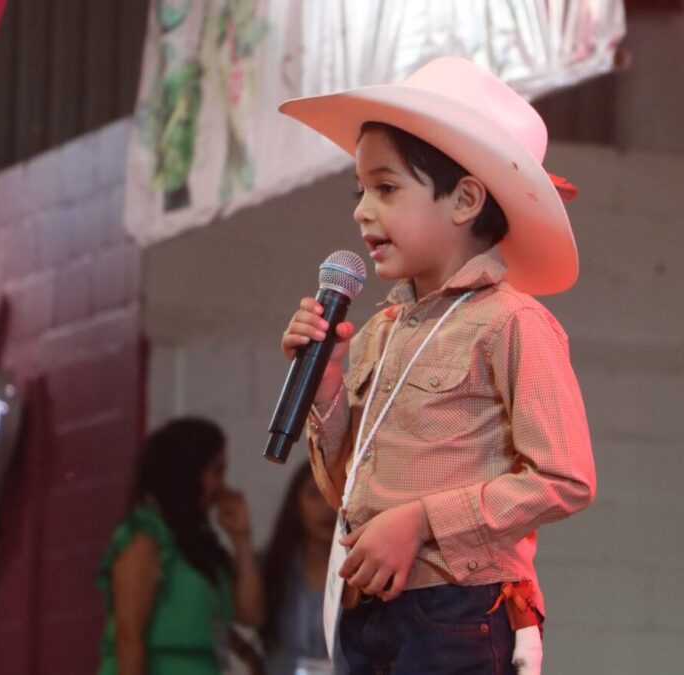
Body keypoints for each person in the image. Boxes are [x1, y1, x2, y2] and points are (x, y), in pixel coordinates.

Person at [277, 56, 596, 674]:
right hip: (367, 608)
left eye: (387, 188)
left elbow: (567, 477)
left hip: (457, 607)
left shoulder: (511, 322)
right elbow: (349, 488)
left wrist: (422, 521)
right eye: (360, 190)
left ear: (466, 199)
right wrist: (328, 385)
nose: (362, 211)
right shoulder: (379, 331)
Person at [96, 417, 264, 675]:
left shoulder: (199, 547)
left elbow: (250, 614)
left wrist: (241, 538)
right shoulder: (145, 535)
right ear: (188, 470)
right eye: (216, 471)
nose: (222, 484)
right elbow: (128, 636)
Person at [260, 460, 336, 673]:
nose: (327, 507)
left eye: (334, 496)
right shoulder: (272, 565)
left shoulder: (361, 572)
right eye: (315, 495)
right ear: (296, 503)